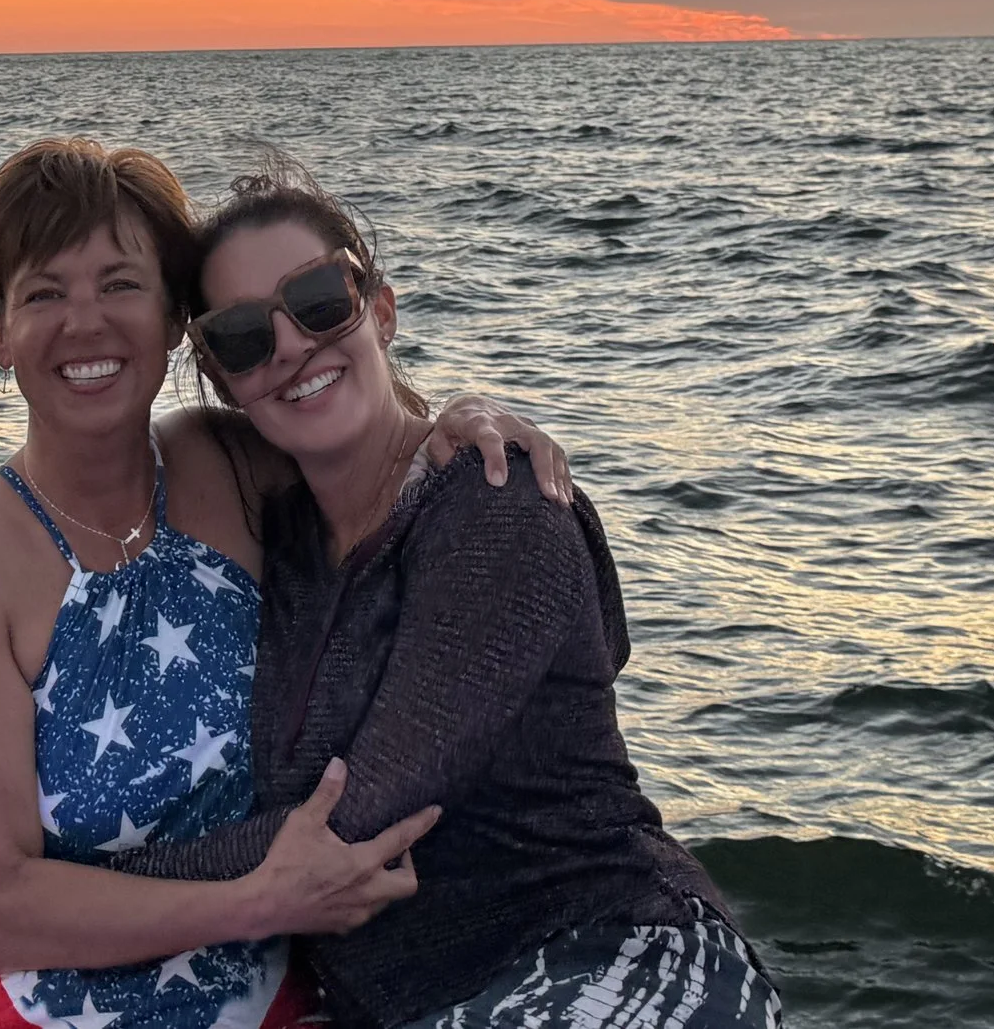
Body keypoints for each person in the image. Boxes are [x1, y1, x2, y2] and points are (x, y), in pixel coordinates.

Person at [0, 139, 575, 1029]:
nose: (87, 321)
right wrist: (263, 902)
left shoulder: (228, 462)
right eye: (43, 293)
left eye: (120, 283)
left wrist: (463, 417)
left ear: (178, 321)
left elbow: (360, 427)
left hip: (289, 997)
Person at [108, 163, 784, 1029]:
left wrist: (70, 905)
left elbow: (349, 823)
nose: (290, 345)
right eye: (243, 336)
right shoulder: (277, 547)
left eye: (319, 299)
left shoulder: (493, 503)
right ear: (220, 375)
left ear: (380, 309)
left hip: (602, 952)